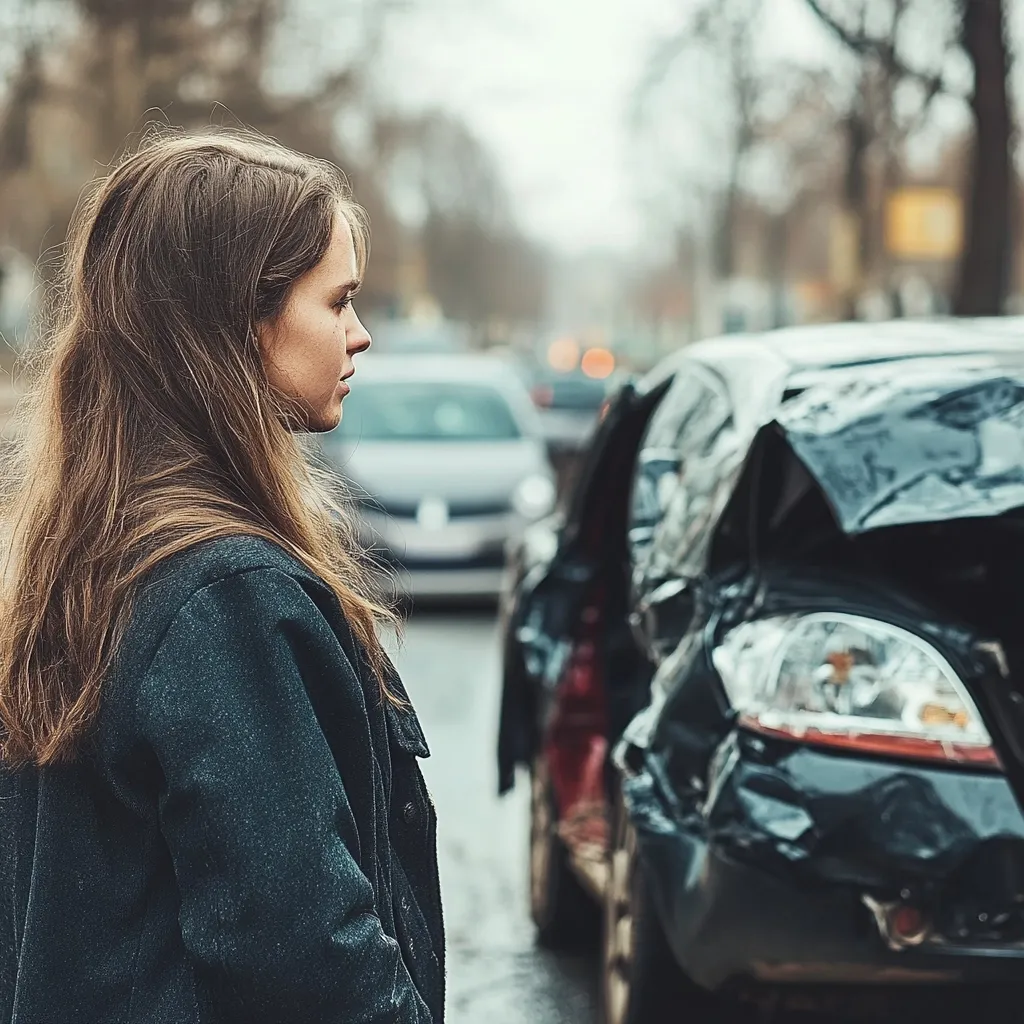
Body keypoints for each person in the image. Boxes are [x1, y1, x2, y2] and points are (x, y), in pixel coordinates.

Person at [0, 129, 444, 1023]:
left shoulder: (84, 558)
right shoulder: (224, 596)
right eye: (338, 302)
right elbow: (304, 957)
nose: (359, 337)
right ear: (241, 316)